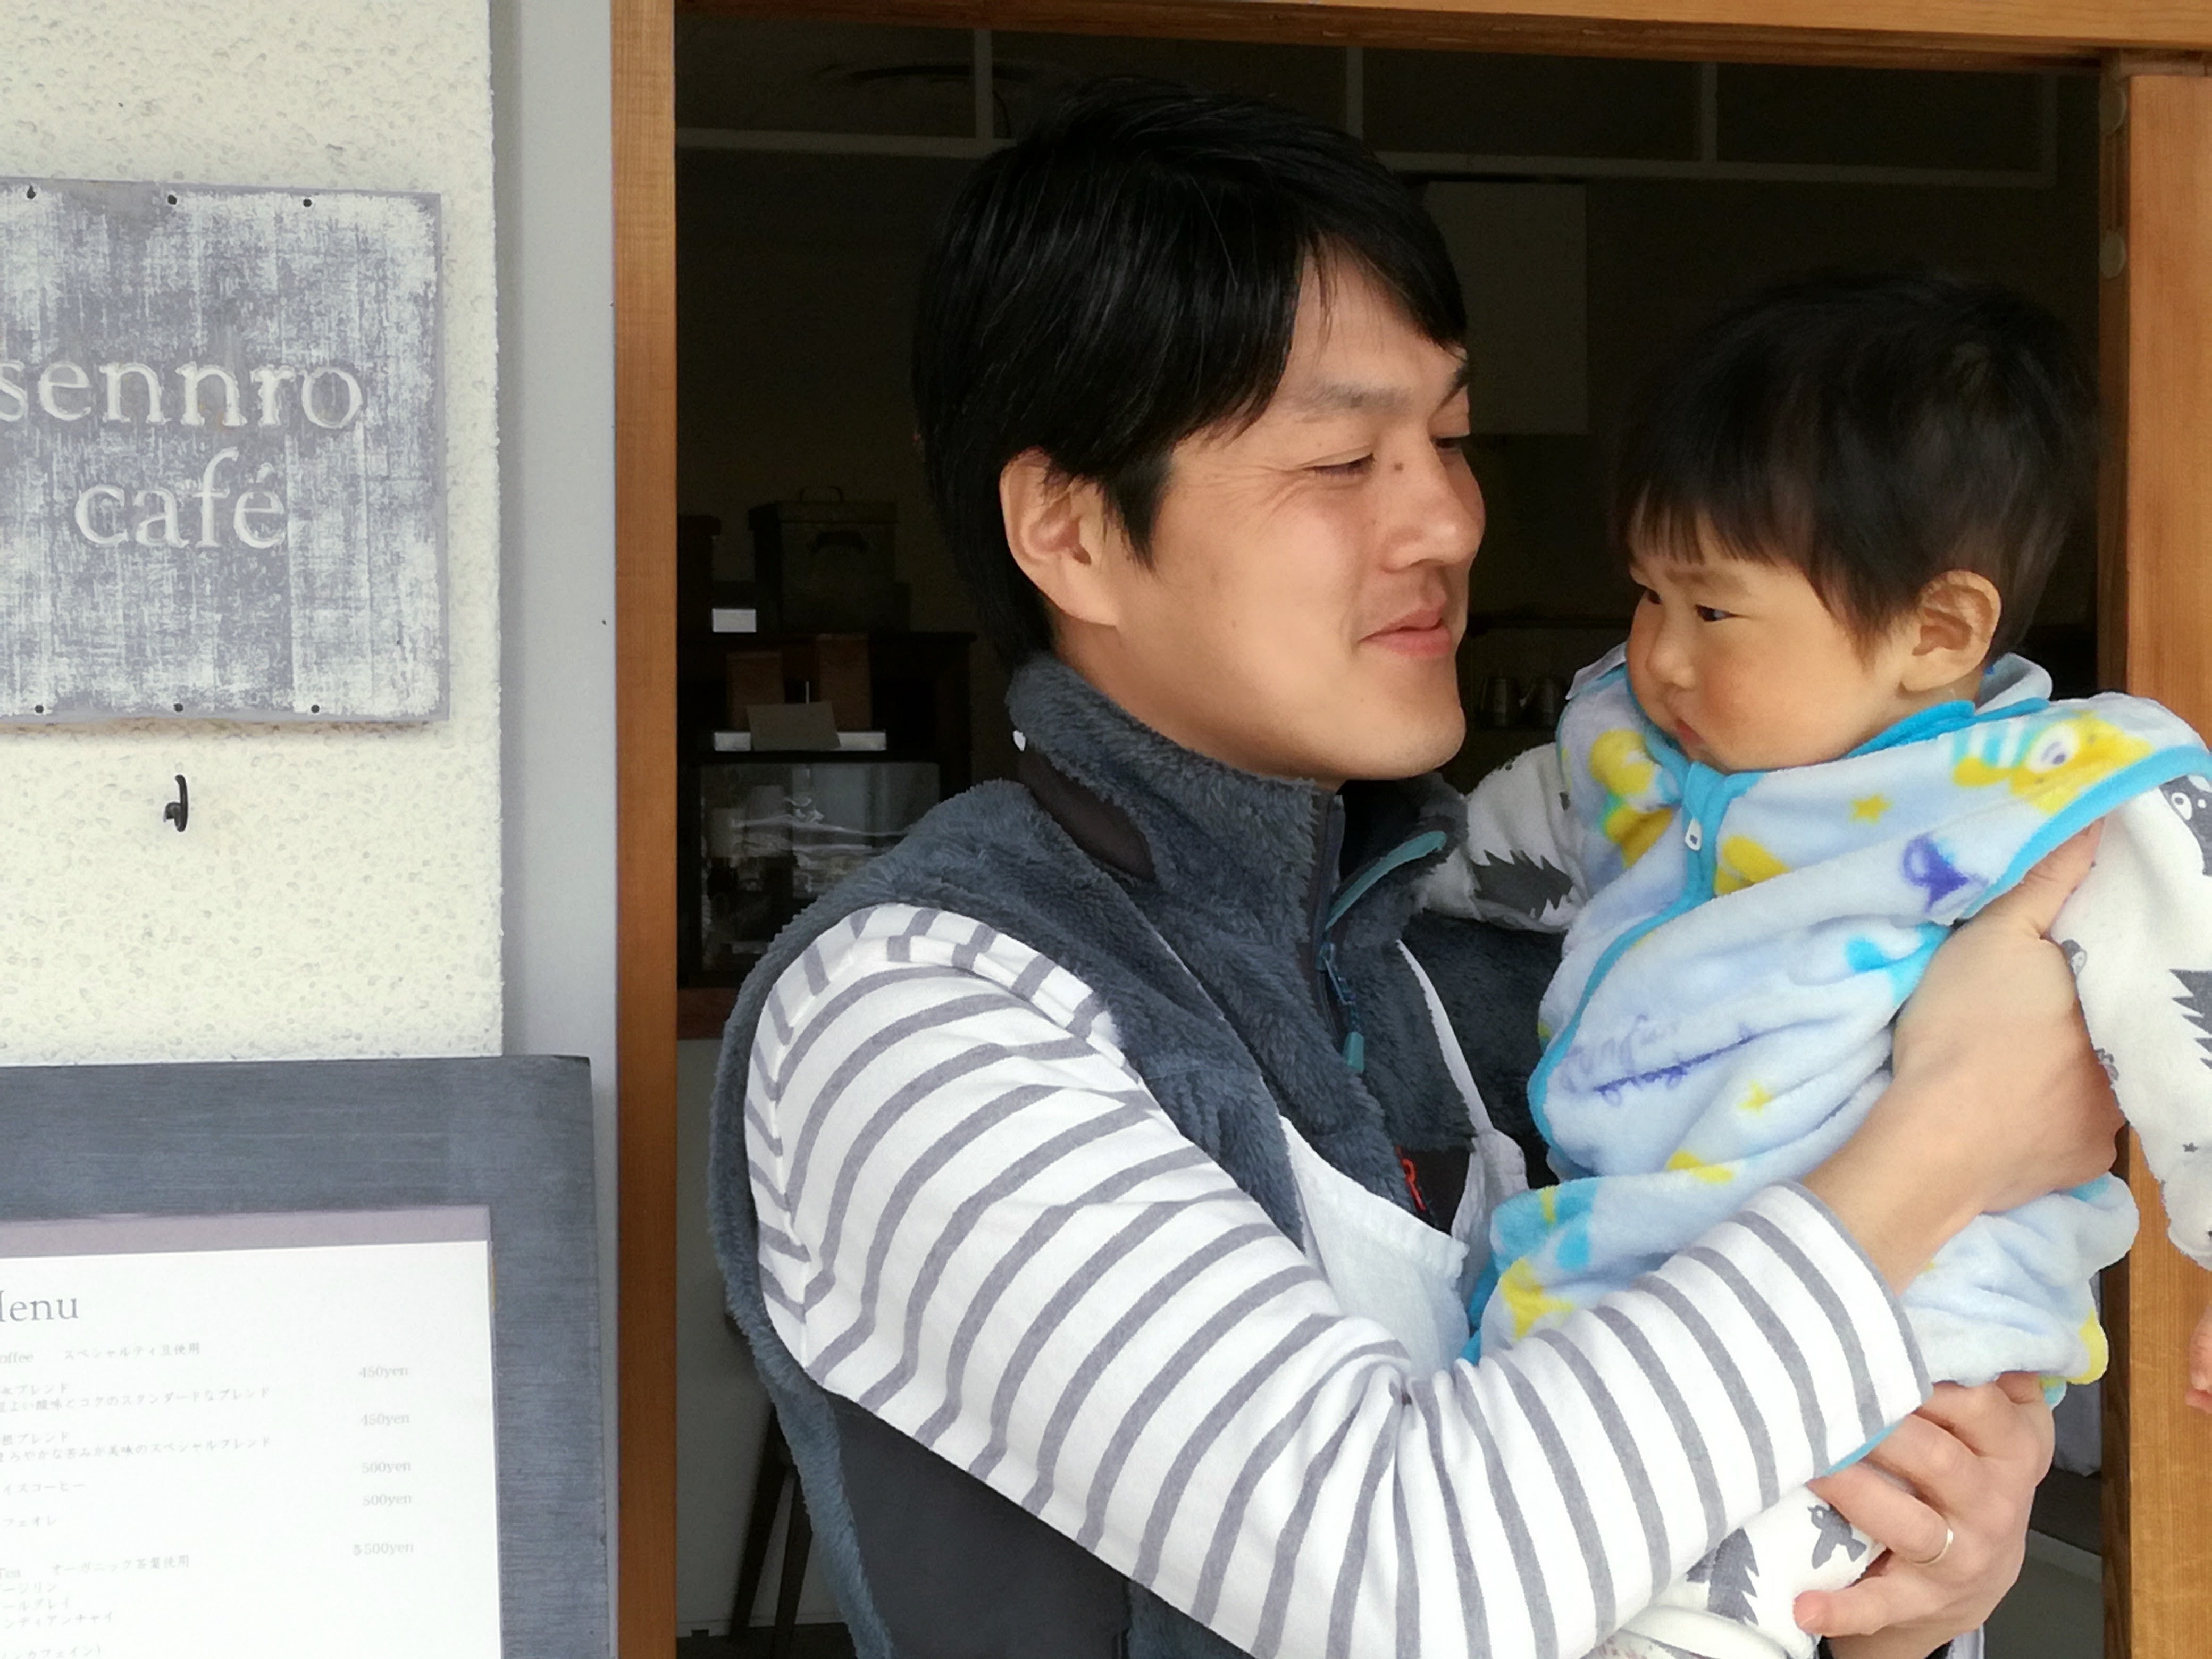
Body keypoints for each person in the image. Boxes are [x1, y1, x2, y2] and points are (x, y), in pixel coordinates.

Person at [707, 86, 2122, 1659]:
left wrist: (1910, 1586)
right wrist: (1948, 1146)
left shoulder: (1525, 947)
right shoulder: (915, 1011)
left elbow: (1724, 1490)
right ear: (1073, 531)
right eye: (1340, 460)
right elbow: (1399, 1588)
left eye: (1445, 436)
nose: (1447, 518)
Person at [1421, 270, 2212, 1659]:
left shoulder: (2042, 796)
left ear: (1938, 633)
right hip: (1635, 1297)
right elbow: (1463, 856)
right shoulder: (1633, 766)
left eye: (1713, 611)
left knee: (1704, 1618)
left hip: (1904, 1347)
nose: (1659, 656)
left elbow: (2187, 999)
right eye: (1647, 593)